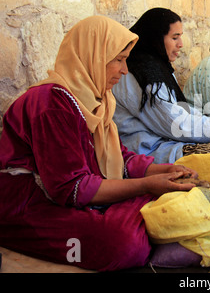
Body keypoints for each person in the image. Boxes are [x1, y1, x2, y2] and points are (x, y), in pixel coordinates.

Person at [0, 16, 199, 272]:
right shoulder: (51, 104)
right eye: (119, 59)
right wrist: (146, 185)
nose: (125, 70)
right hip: (27, 203)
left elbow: (119, 156)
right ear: (92, 55)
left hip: (71, 193)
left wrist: (161, 171)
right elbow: (71, 189)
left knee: (168, 201)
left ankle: (138, 217)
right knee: (124, 245)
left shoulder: (97, 98)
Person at [112, 9, 210, 164]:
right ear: (156, 39)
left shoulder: (158, 69)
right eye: (175, 38)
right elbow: (176, 124)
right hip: (148, 150)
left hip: (168, 140)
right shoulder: (141, 75)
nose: (181, 44)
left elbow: (181, 110)